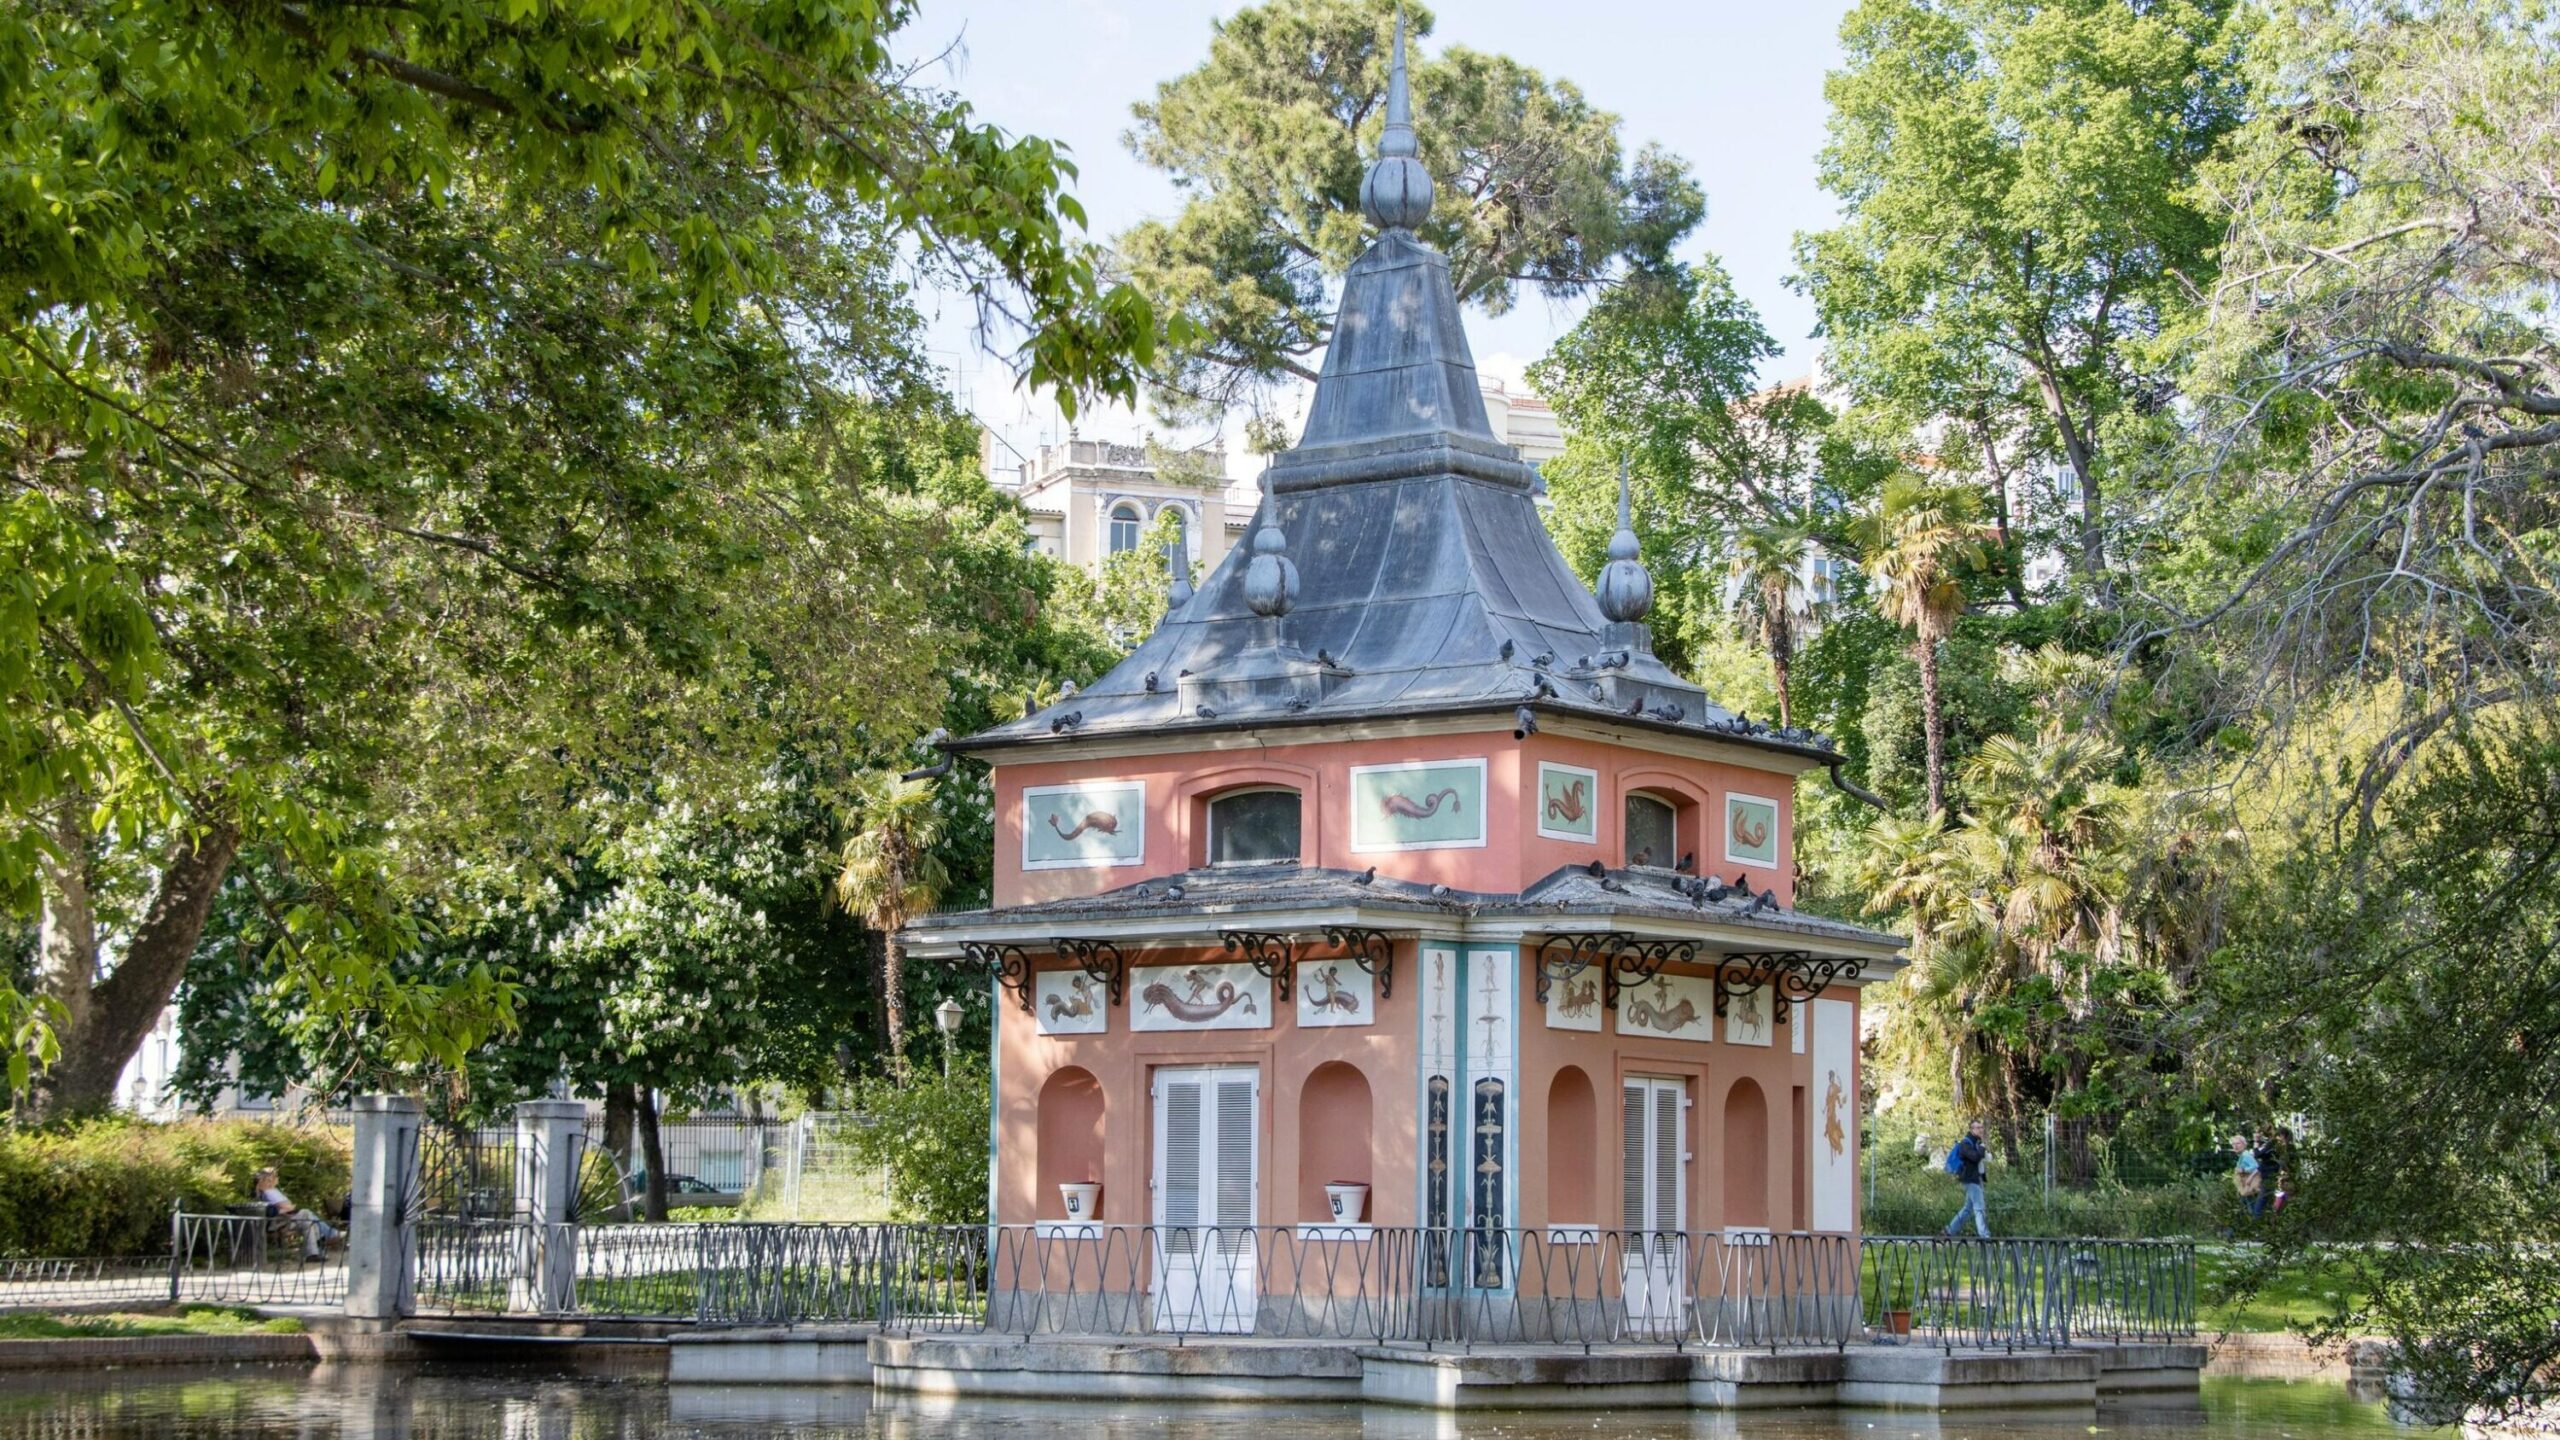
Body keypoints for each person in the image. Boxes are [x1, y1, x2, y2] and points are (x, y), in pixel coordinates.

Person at [254, 1167, 340, 1260]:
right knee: (306, 1213)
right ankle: (328, 1235)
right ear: (270, 1179)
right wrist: (289, 1207)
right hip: (280, 1222)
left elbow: (285, 1207)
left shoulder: (269, 1191)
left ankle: (313, 1253)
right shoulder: (270, 1192)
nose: (278, 1178)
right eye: (276, 1176)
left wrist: (288, 1207)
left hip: (284, 1219)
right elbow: (287, 1207)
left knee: (308, 1223)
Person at [1944, 1120, 1990, 1238]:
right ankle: (1984, 1236)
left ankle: (1949, 1231)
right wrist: (1981, 1149)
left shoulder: (1976, 1143)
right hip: (1970, 1180)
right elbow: (1974, 1157)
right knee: (1979, 1207)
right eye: (1978, 1127)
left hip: (1976, 1179)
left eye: (1981, 1127)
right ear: (1972, 1129)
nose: (1980, 1129)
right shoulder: (1966, 1143)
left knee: (1967, 1210)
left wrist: (1981, 1149)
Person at [2229, 1134, 2262, 1215]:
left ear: (2244, 1144)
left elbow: (2256, 1166)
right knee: (2245, 1208)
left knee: (2252, 1209)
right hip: (2245, 1187)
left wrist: (2243, 1170)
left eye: (2238, 1144)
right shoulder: (2242, 1156)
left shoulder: (2246, 1155)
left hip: (2249, 1187)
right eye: (2233, 1144)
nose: (2235, 1146)